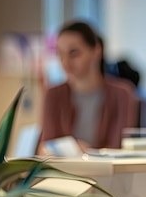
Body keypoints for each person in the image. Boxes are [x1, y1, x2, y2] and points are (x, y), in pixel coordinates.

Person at [37, 20, 138, 151]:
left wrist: (85, 151)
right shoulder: (53, 94)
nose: (65, 62)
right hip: (63, 171)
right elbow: (47, 146)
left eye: (74, 53)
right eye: (60, 54)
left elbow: (120, 146)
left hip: (107, 170)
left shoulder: (122, 93)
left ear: (97, 51)